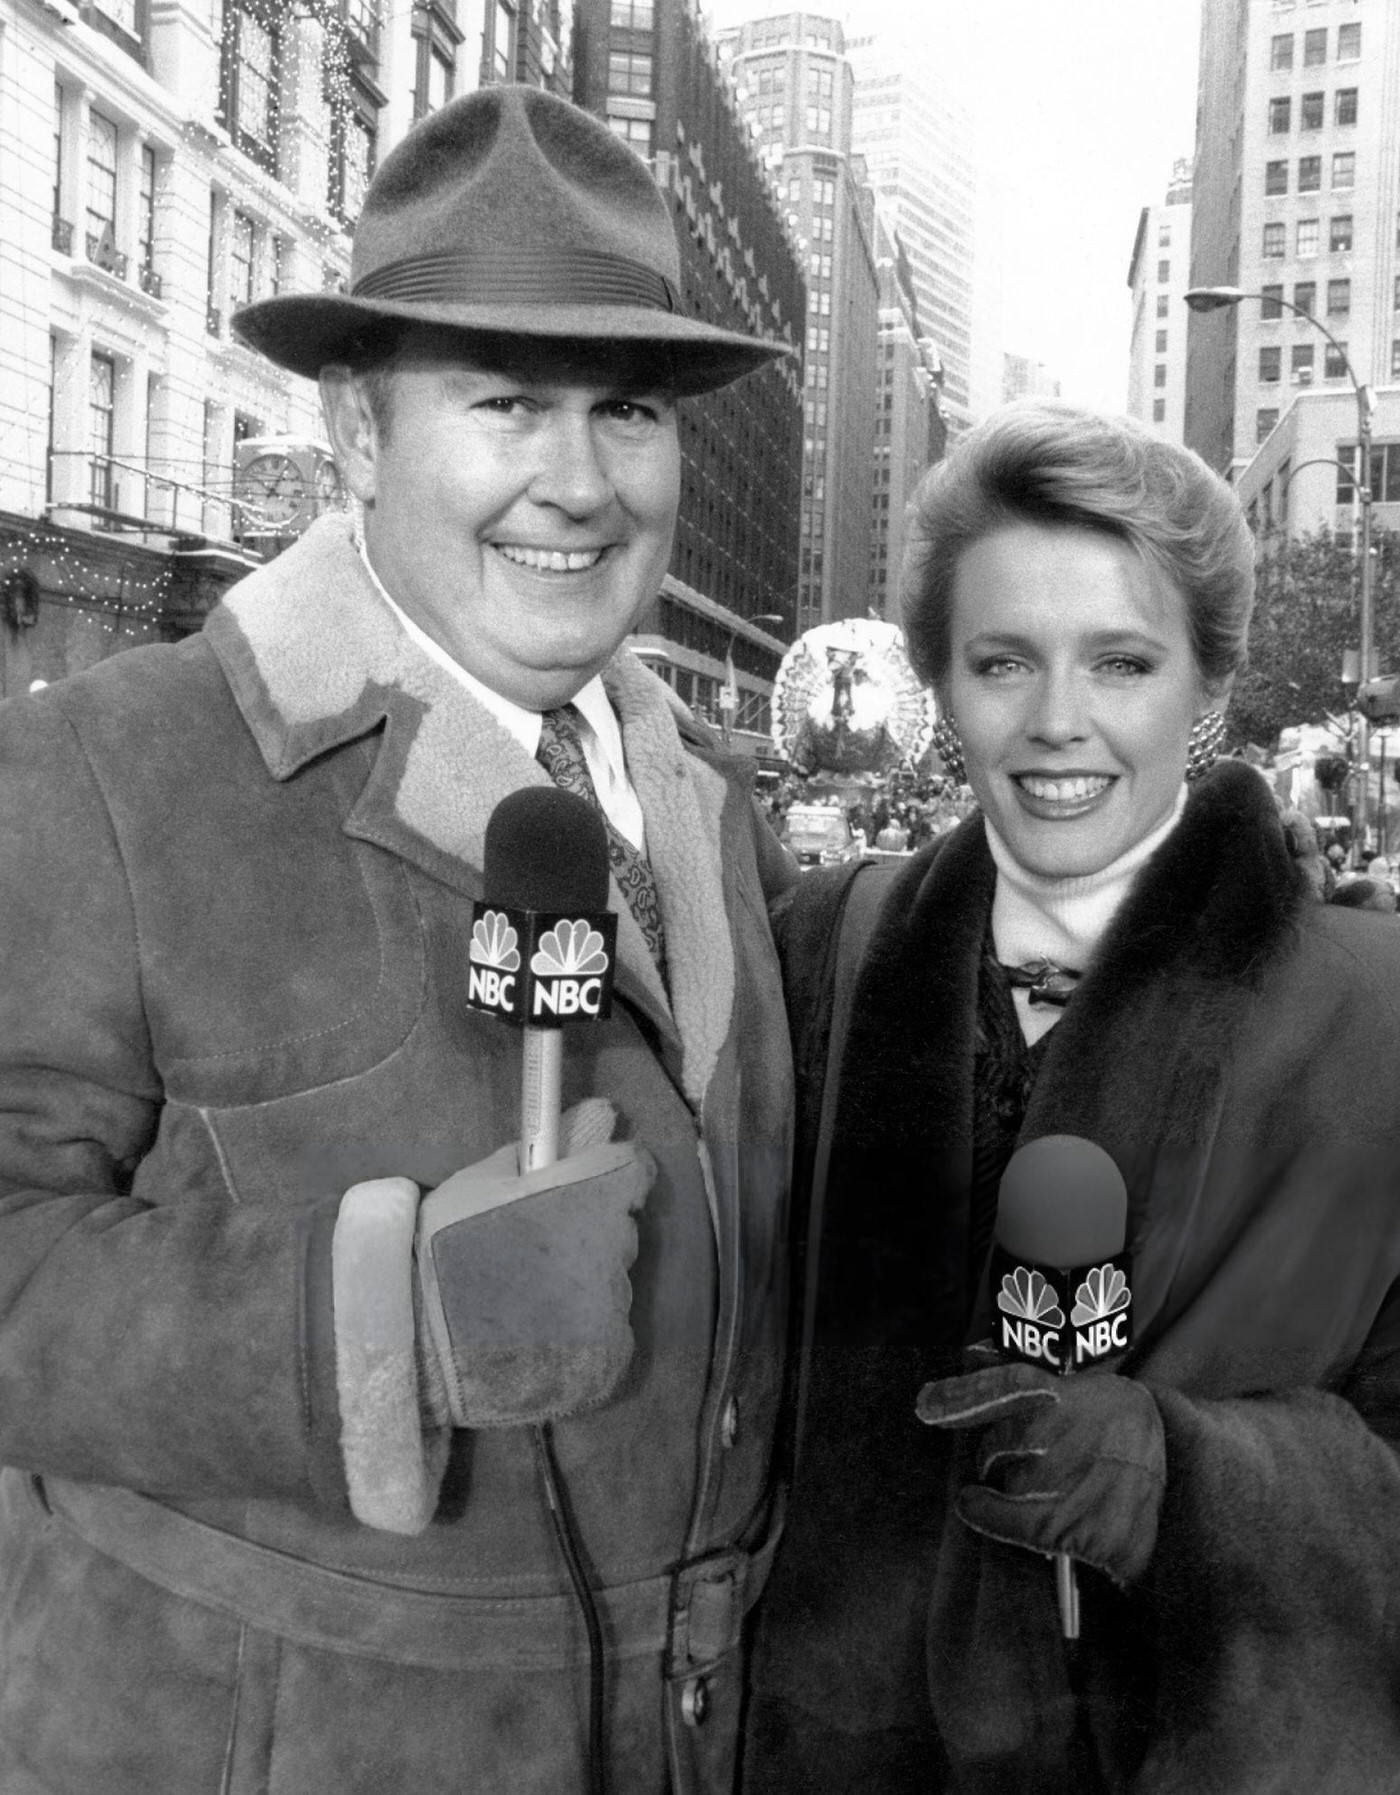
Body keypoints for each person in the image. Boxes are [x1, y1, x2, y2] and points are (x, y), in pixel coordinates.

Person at [0, 86, 798, 1794]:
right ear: (358, 436)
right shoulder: (102, 769)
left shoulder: (715, 807)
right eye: (506, 401)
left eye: (630, 412)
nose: (577, 484)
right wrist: (378, 1322)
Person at [742, 402, 1400, 1793]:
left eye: (1121, 661)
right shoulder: (821, 951)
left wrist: (1191, 1479)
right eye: (1002, 662)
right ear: (941, 681)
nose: (1056, 723)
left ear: (1204, 686)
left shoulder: (1375, 1016)